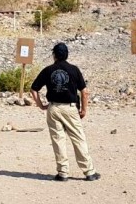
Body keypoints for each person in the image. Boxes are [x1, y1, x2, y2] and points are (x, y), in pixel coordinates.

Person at [30, 43, 100, 182]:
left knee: (58, 140)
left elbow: (34, 89)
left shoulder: (48, 70)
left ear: (54, 55)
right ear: (67, 54)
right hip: (70, 108)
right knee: (78, 138)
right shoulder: (74, 69)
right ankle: (89, 171)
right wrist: (84, 109)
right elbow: (84, 92)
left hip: (54, 108)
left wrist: (41, 105)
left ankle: (63, 173)